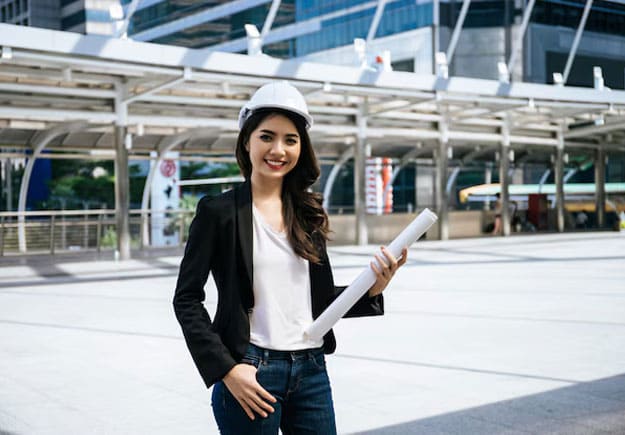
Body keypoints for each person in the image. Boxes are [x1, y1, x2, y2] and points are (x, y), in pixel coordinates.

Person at [173, 82, 408, 435]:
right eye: (267, 136)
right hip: (251, 370)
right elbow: (187, 299)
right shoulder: (219, 212)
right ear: (247, 141)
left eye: (290, 140)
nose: (278, 149)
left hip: (311, 370)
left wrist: (373, 289)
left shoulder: (307, 213)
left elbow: (316, 300)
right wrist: (226, 369)